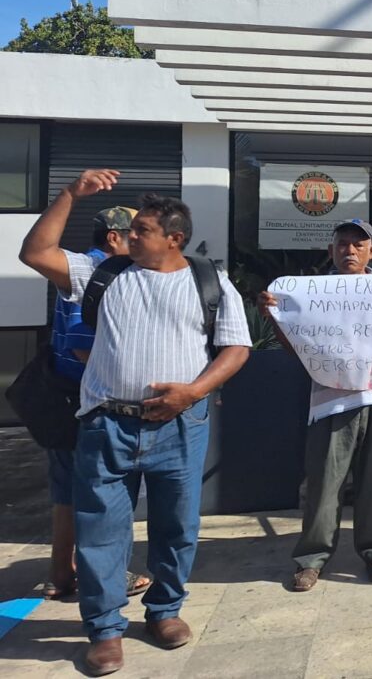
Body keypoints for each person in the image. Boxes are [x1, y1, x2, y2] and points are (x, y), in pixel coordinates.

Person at [19, 170, 251, 677]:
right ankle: (104, 631)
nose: (128, 237)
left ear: (174, 238)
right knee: (100, 529)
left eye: (141, 230)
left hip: (181, 426)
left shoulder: (209, 281)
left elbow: (236, 348)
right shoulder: (103, 273)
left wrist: (193, 391)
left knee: (176, 527)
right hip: (107, 426)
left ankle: (165, 612)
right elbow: (35, 254)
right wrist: (69, 195)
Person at [257, 219, 372, 592]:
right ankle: (312, 558)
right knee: (324, 483)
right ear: (331, 250)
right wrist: (274, 317)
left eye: (357, 244)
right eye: (342, 244)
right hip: (329, 403)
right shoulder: (312, 295)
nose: (349, 250)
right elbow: (297, 351)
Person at [43, 206, 151, 603]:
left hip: (65, 398)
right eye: (136, 233)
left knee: (68, 492)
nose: (141, 241)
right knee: (100, 494)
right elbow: (83, 344)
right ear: (113, 238)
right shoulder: (93, 274)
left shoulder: (97, 271)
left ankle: (60, 574)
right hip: (86, 403)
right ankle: (105, 575)